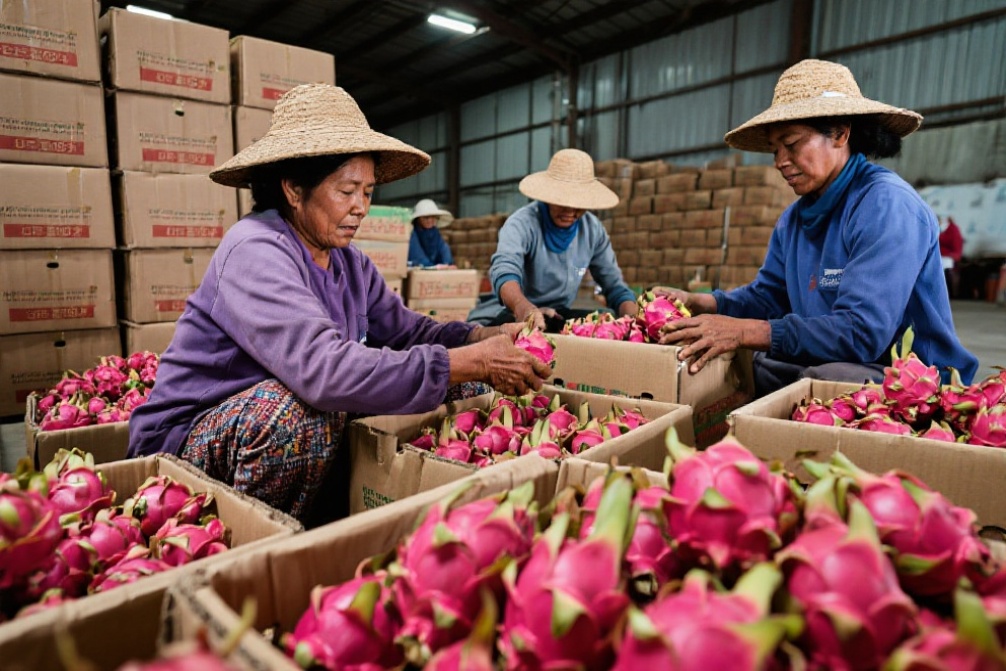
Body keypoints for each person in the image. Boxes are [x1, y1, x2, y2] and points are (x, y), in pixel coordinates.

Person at [127, 84, 552, 523]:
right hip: (187, 444)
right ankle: (267, 544)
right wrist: (472, 360)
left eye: (367, 192)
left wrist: (485, 337)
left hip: (287, 427)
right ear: (293, 188)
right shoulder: (254, 250)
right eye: (347, 190)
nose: (361, 208)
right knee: (294, 413)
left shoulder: (348, 262)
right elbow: (323, 372)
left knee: (463, 384)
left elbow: (409, 331)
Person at [655, 59, 979, 397]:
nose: (780, 161)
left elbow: (861, 333)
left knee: (820, 381)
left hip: (917, 378)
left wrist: (743, 331)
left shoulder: (886, 205)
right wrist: (704, 303)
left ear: (840, 133)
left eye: (792, 144)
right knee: (754, 365)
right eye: (775, 149)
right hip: (841, 363)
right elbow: (769, 298)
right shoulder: (794, 220)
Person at [466, 148, 638, 332]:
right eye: (563, 200)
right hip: (511, 311)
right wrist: (524, 309)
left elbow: (614, 285)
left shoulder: (593, 230)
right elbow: (505, 271)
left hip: (555, 315)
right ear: (549, 195)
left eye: (579, 203)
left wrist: (634, 320)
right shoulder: (522, 223)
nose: (571, 211)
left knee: (603, 321)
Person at [408, 198, 455, 267]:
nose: (430, 220)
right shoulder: (412, 233)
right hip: (418, 268)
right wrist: (432, 267)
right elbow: (416, 256)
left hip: (434, 268)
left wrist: (447, 264)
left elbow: (443, 248)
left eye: (433, 217)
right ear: (418, 219)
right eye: (426, 217)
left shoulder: (435, 232)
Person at [938, 215, 964, 297]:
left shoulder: (951, 229)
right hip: (948, 255)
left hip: (948, 256)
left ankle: (947, 293)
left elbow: (948, 241)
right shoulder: (952, 229)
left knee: (945, 274)